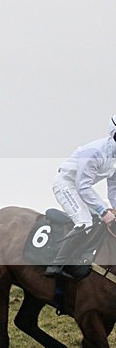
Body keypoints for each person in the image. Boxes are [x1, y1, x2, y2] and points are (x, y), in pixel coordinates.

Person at [45, 115, 116, 278]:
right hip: (66, 184)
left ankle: (84, 257)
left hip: (82, 187)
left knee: (100, 219)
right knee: (84, 221)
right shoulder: (96, 153)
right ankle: (57, 264)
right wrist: (104, 211)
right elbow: (82, 186)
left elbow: (113, 187)